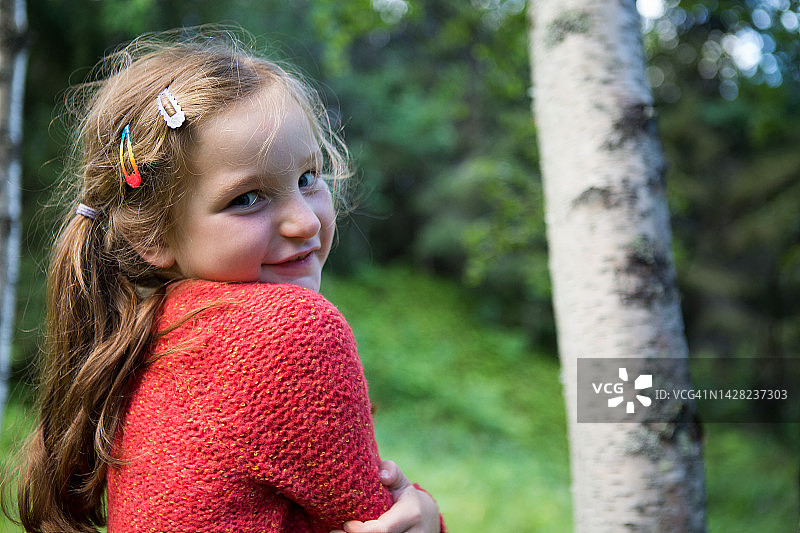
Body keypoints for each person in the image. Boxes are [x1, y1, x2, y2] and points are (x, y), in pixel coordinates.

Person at [5, 30, 444, 533]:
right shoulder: (288, 332)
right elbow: (377, 522)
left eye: (307, 178)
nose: (305, 222)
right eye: (247, 199)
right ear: (153, 235)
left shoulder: (153, 330)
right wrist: (427, 518)